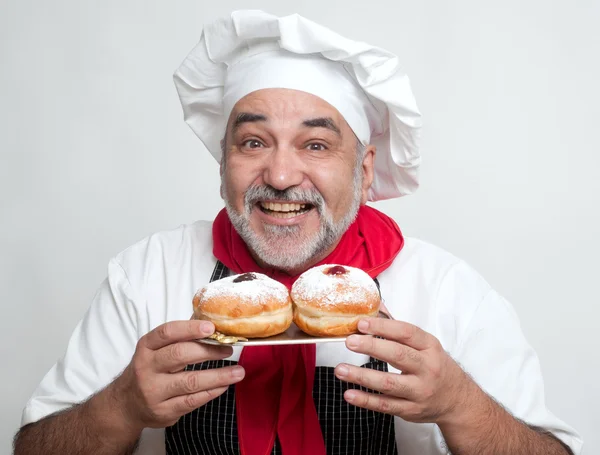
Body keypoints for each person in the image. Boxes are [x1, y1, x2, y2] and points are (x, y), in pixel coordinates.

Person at [13, 10, 582, 455]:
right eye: (253, 142)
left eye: (315, 145)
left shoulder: (447, 290)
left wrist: (461, 404)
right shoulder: (147, 275)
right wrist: (121, 406)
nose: (281, 177)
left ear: (363, 171)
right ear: (222, 164)